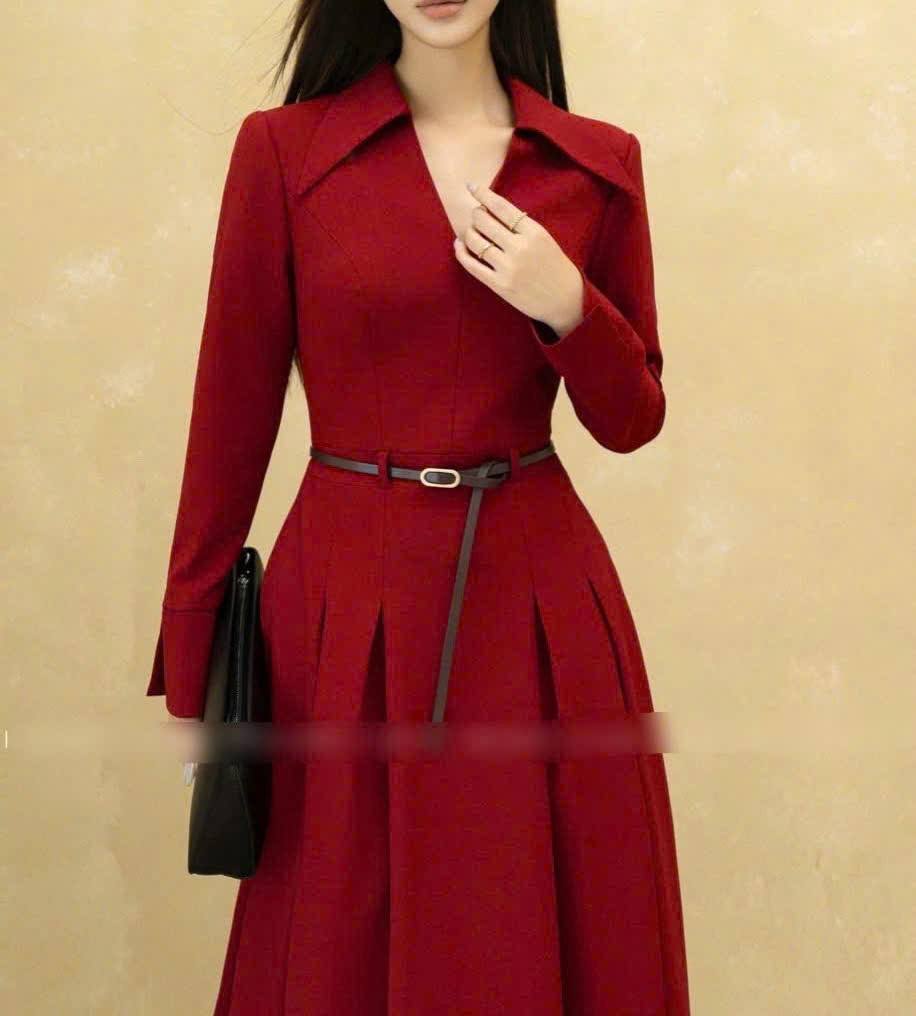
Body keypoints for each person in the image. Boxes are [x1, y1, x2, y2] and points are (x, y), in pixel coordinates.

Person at [146, 1, 690, 1013]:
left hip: (540, 608)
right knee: (335, 937)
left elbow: (631, 419)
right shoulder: (284, 153)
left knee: (543, 924)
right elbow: (229, 416)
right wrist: (194, 664)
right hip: (342, 600)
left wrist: (566, 303)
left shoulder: (596, 164)